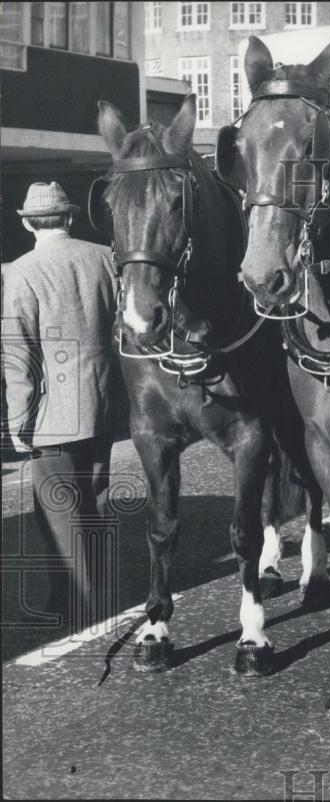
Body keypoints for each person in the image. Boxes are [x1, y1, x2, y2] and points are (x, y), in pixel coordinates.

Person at [3, 181, 119, 629]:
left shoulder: (23, 271)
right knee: (96, 503)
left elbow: (19, 357)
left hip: (53, 416)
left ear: (29, 223)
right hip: (105, 402)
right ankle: (74, 595)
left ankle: (87, 610)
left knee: (59, 515)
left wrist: (18, 421)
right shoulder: (104, 257)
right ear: (69, 218)